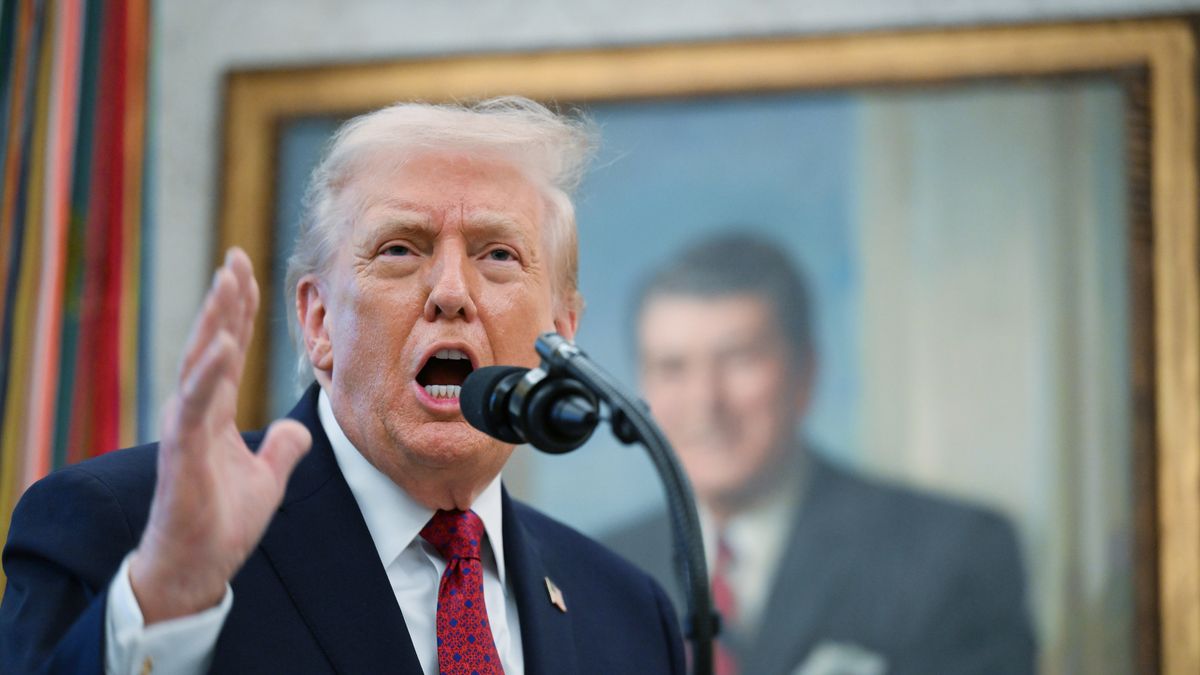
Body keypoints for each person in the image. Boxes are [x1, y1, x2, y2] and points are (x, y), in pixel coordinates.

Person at [0, 98, 685, 674]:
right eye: (400, 249)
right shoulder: (125, 528)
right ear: (318, 320)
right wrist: (166, 601)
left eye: (497, 255)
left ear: (560, 333)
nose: (451, 292)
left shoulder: (627, 612)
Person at [605, 232, 1036, 675]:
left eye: (739, 359)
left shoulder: (952, 554)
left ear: (805, 372)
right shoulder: (601, 572)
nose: (705, 402)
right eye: (672, 368)